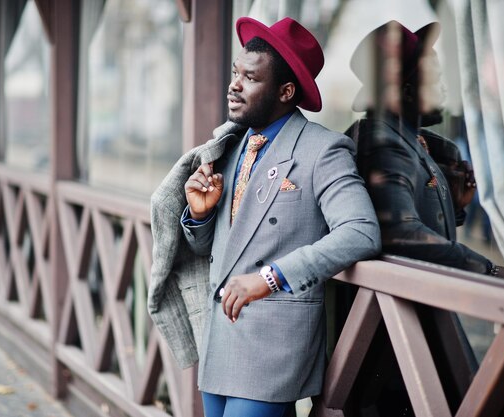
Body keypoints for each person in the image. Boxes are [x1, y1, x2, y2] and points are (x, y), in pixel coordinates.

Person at [148, 17, 381, 417]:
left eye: (250, 78)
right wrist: (201, 217)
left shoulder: (323, 150)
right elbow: (225, 250)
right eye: (235, 73)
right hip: (220, 340)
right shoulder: (231, 147)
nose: (234, 85)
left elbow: (361, 232)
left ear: (286, 91)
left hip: (274, 345)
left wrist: (271, 276)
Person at [342, 21, 504, 415]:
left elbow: (418, 222)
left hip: (412, 325)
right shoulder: (384, 144)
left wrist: (454, 206)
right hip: (394, 339)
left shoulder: (406, 141)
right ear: (404, 90)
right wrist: (485, 269)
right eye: (434, 77)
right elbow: (399, 233)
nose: (444, 87)